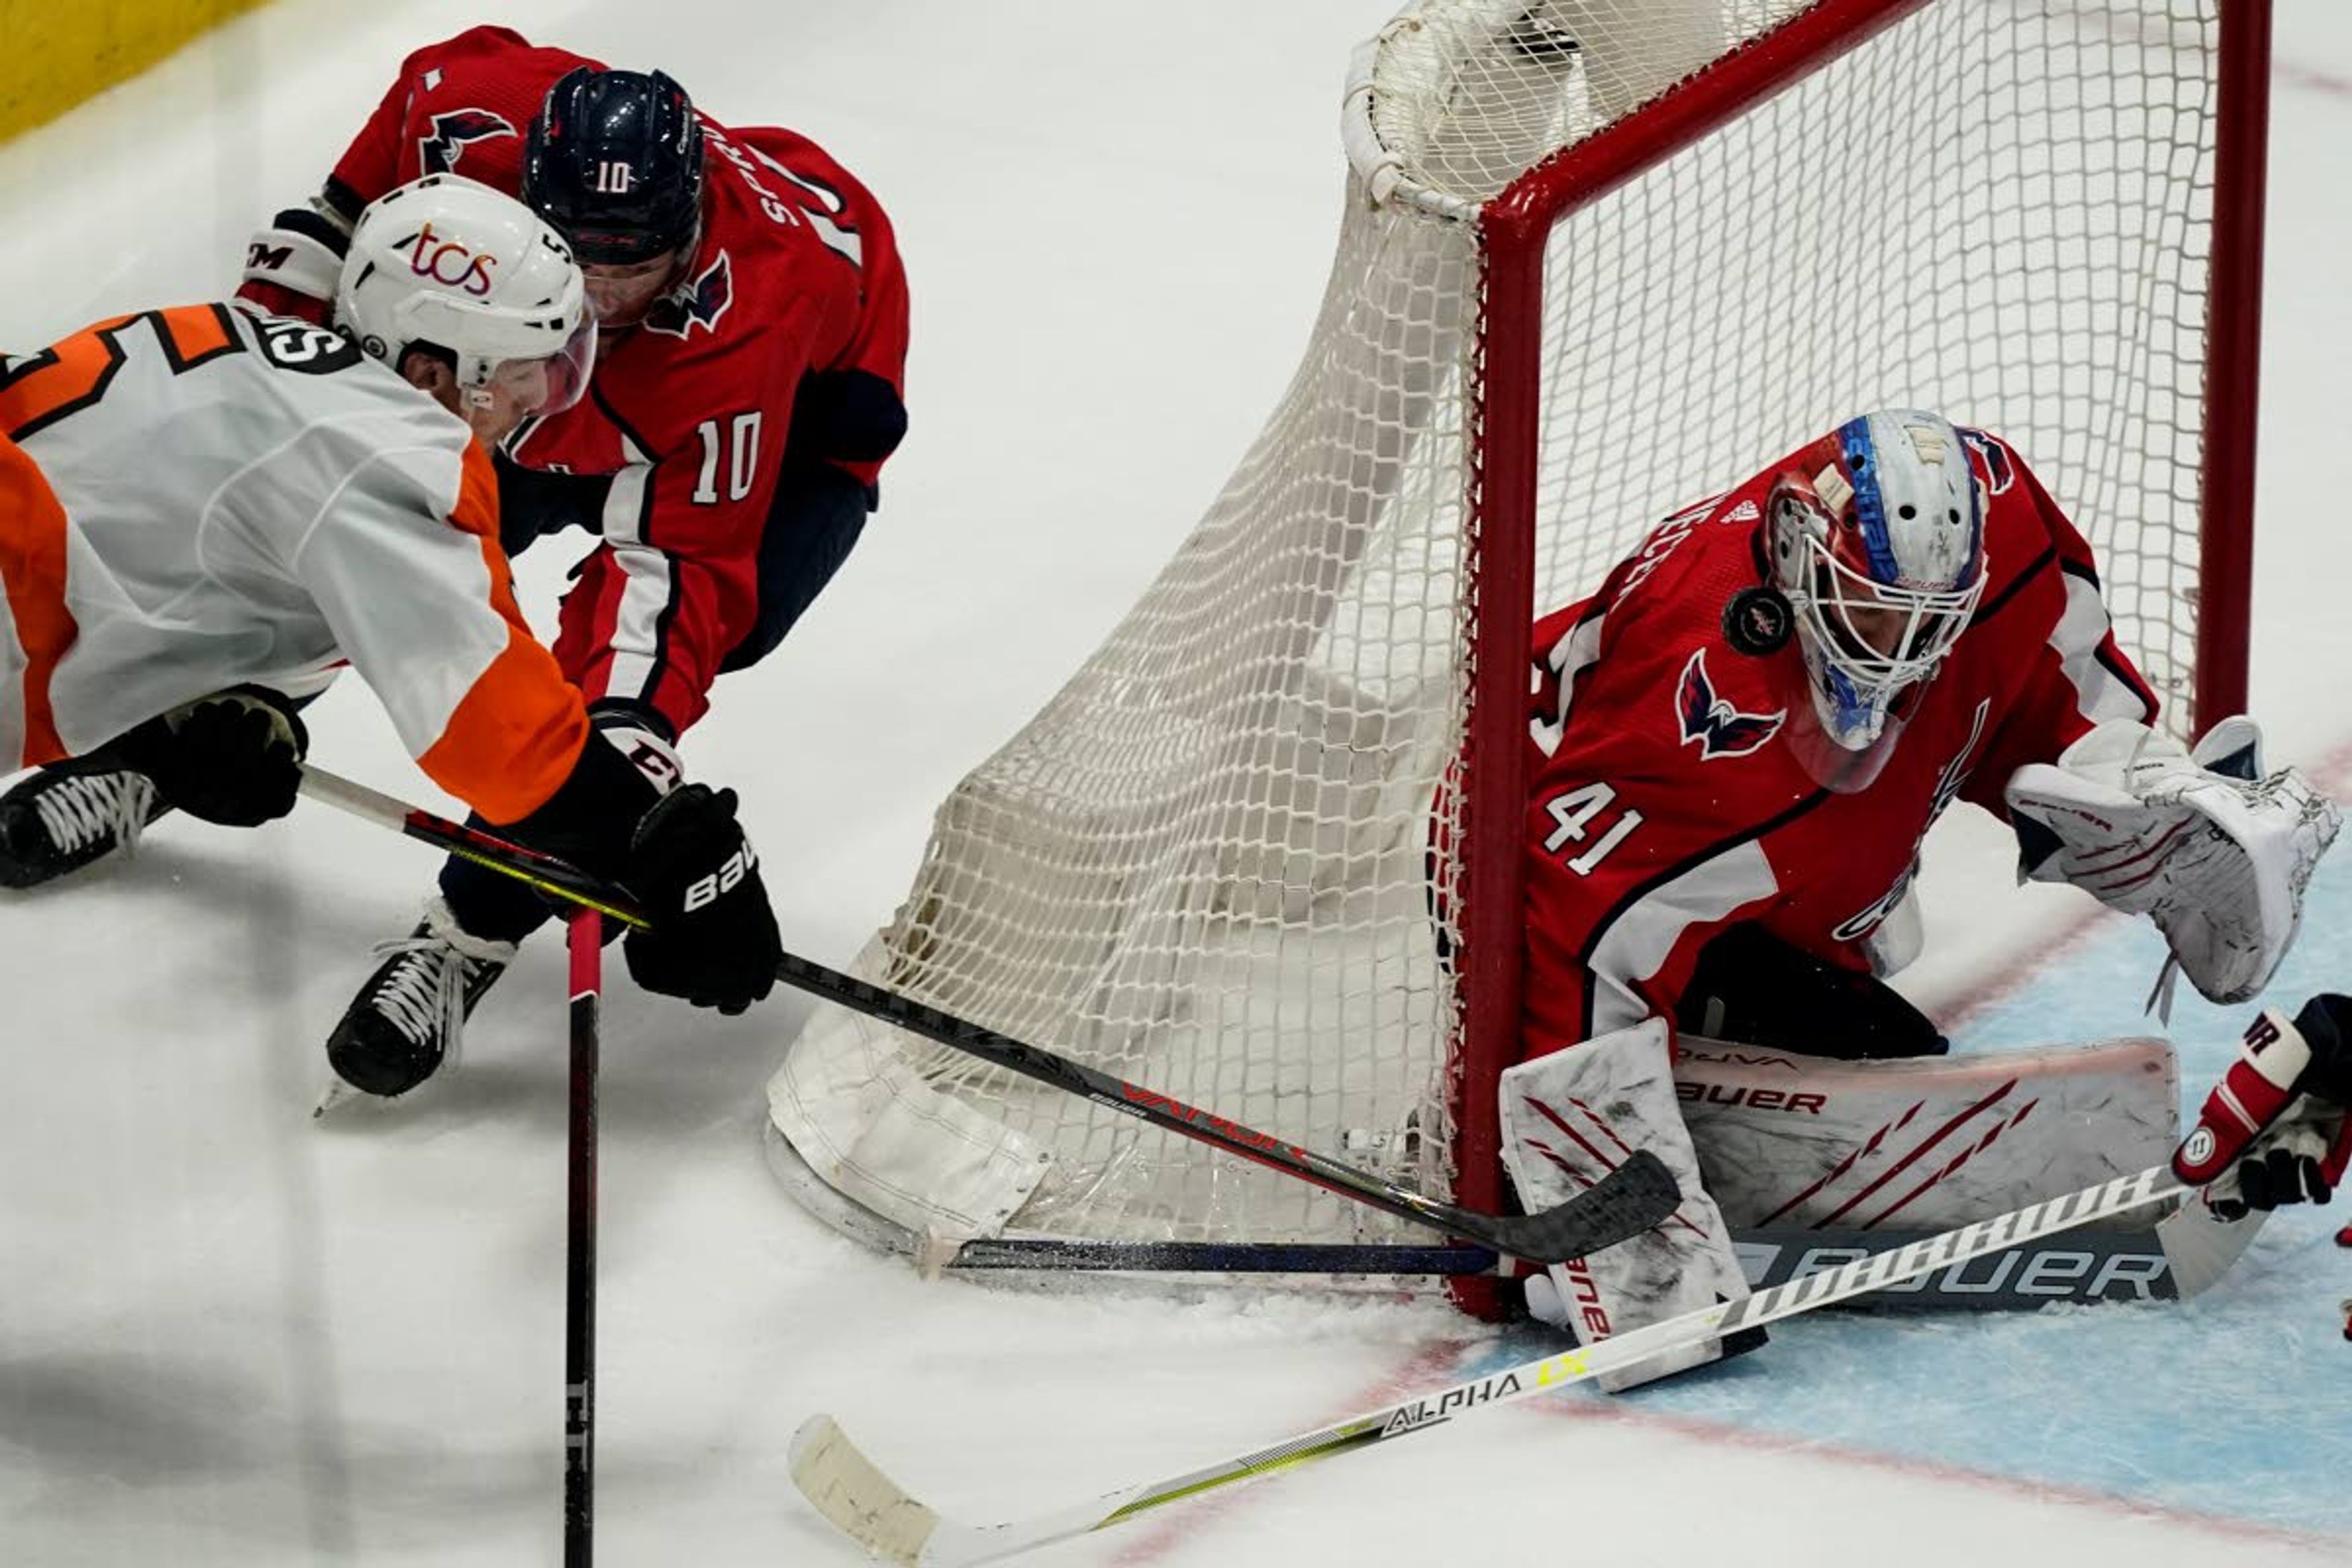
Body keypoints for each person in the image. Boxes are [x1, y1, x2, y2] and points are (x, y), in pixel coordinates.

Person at [0, 26, 908, 1096]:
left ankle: (470, 926)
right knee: (315, 538)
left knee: (578, 688)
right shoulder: (464, 119)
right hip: (507, 358)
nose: (604, 296)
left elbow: (667, 592)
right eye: (583, 257)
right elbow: (332, 246)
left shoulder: (746, 322)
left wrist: (632, 804)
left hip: (791, 432)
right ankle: (164, 740)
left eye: (635, 267)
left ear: (689, 231)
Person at [1479, 408, 2338, 1387]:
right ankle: (1545, 1129)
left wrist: (2122, 780)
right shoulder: (1701, 709)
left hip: (1748, 886)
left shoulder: (2008, 530)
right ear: (1800, 554)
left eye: (1929, 624)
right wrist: (1601, 1236)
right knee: (1822, 1088)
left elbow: (2047, 679)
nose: (1897, 652)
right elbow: (1573, 924)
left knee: (1880, 1051)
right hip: (1516, 876)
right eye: (1872, 611)